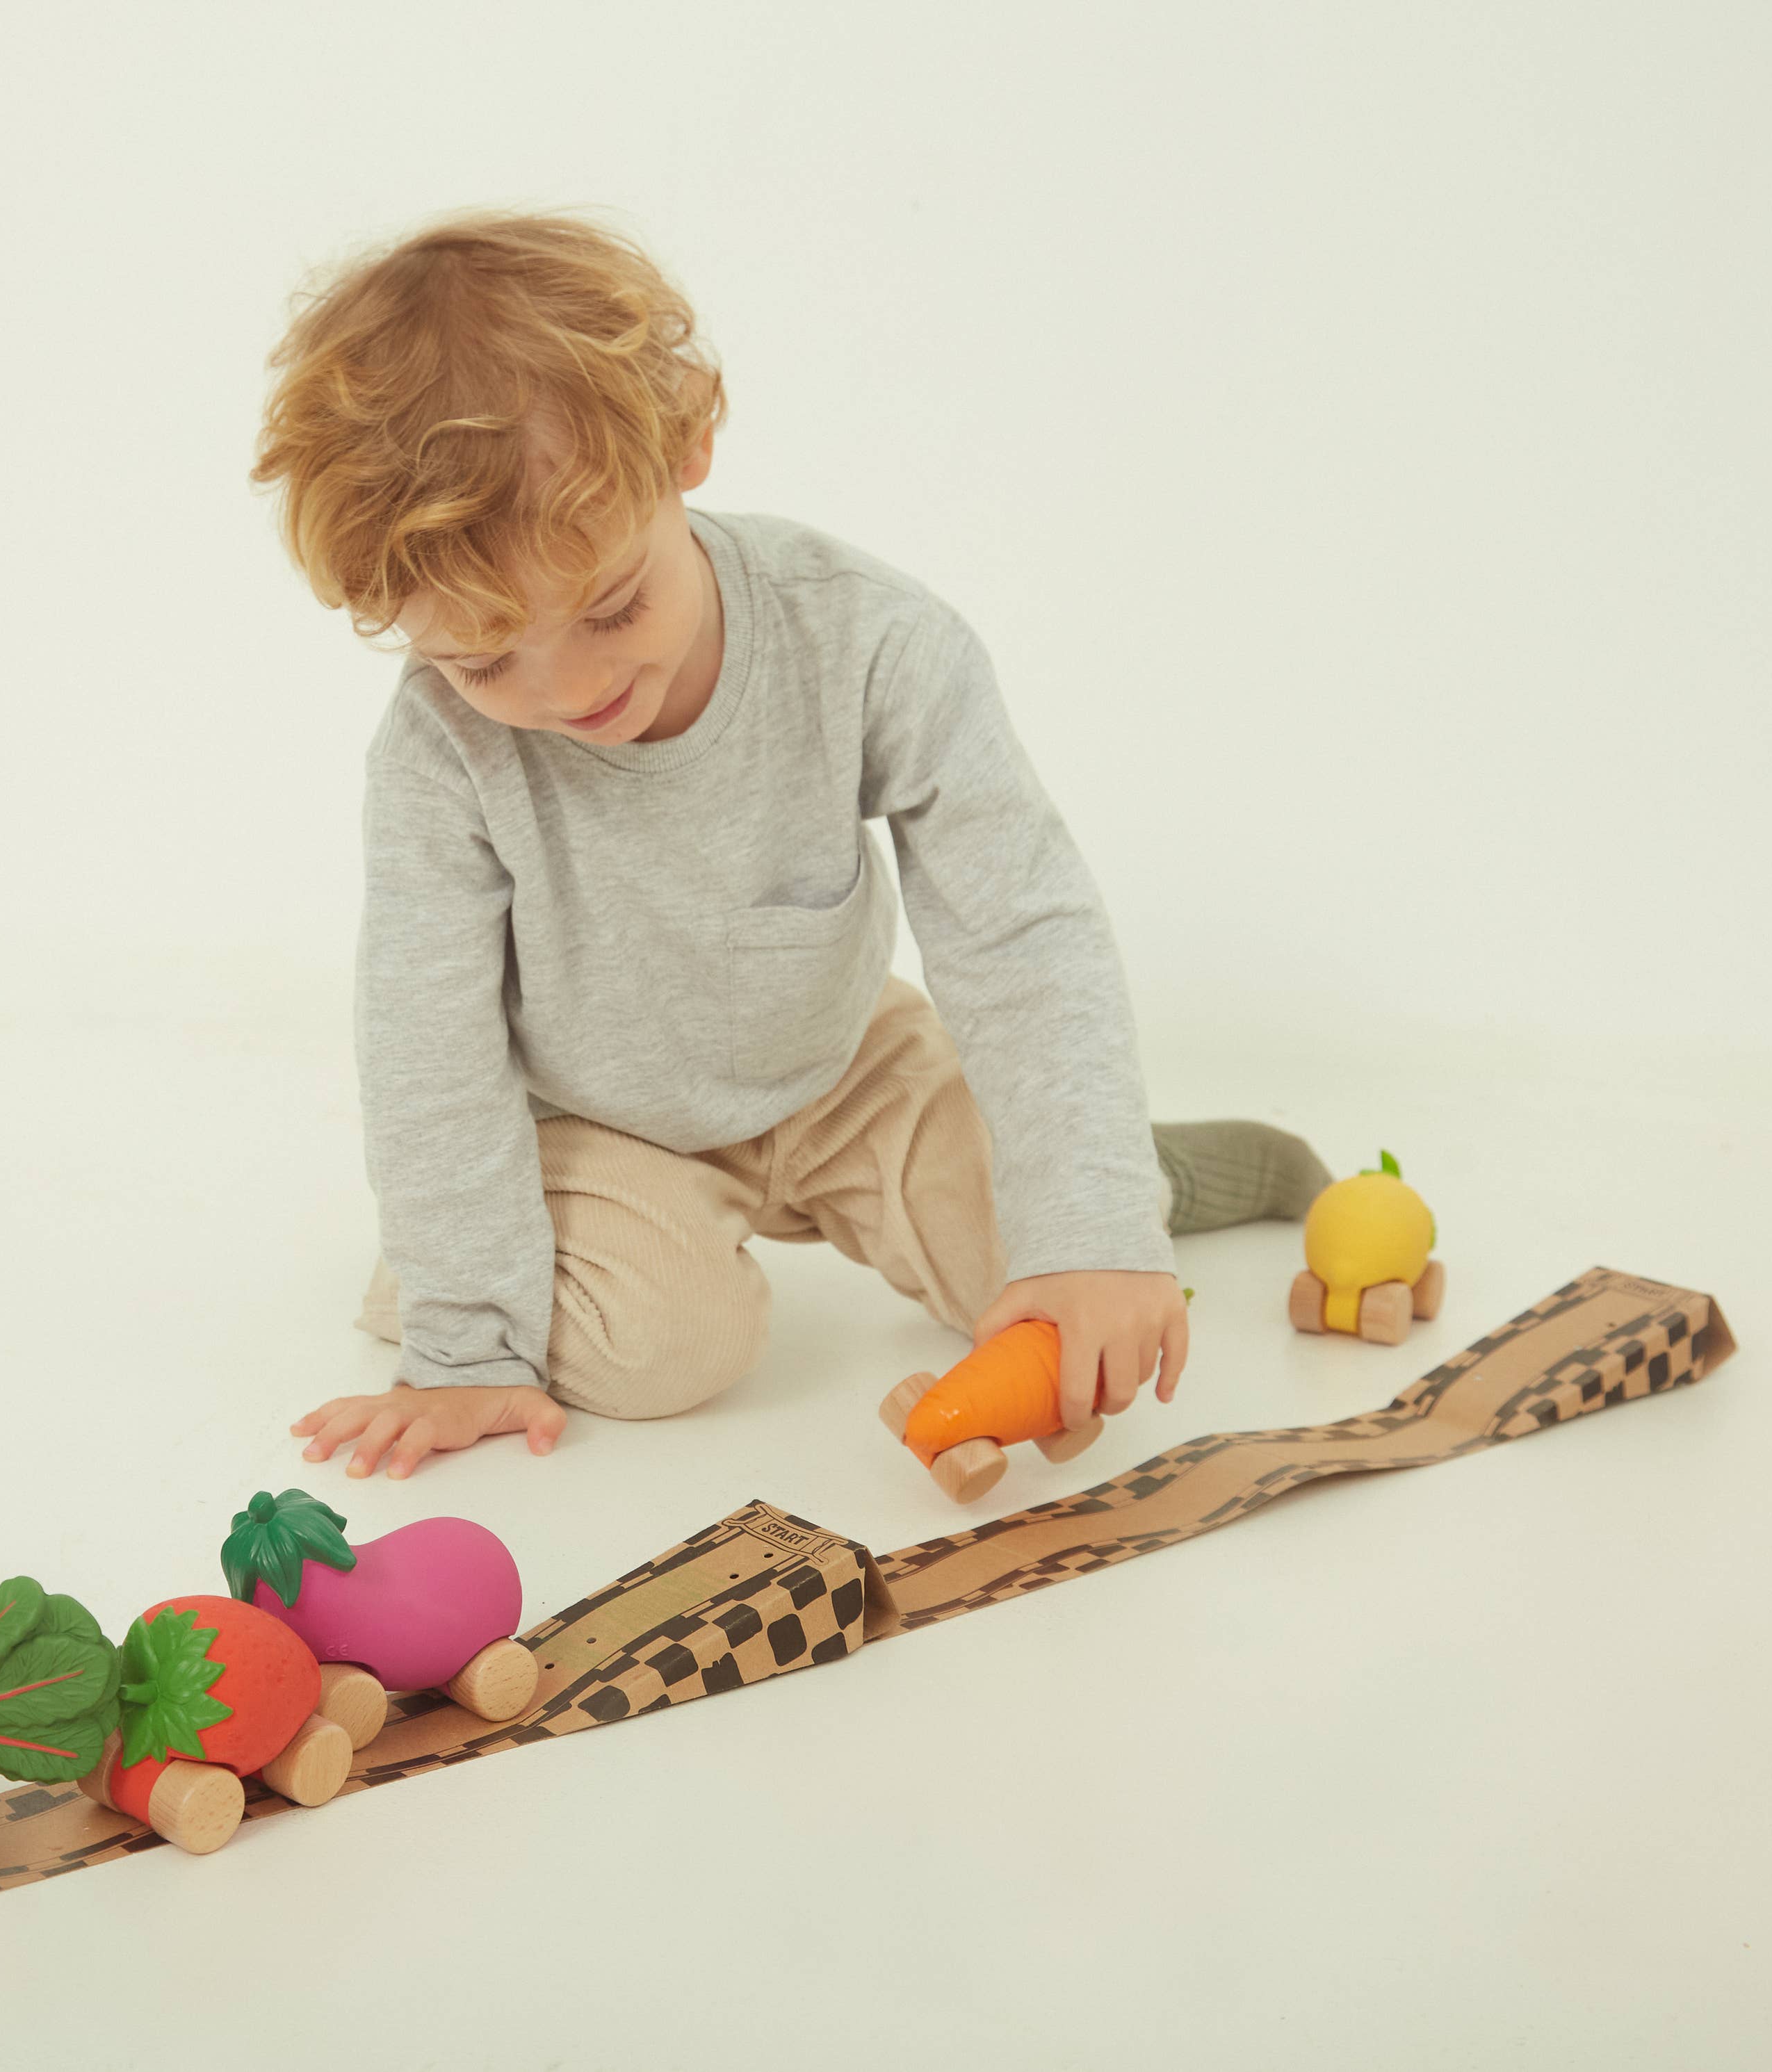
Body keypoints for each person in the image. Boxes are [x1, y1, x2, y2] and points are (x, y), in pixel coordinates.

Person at [252, 210, 1329, 1482]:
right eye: (484, 659)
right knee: (674, 1345)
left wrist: (1090, 1226)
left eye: (612, 606)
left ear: (686, 442)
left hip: (841, 1061)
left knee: (1045, 1259)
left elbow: (1016, 925)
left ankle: (1127, 1176)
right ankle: (466, 1258)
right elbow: (426, 1044)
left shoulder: (870, 640)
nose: (567, 687)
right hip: (603, 1117)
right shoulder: (441, 752)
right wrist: (467, 1339)